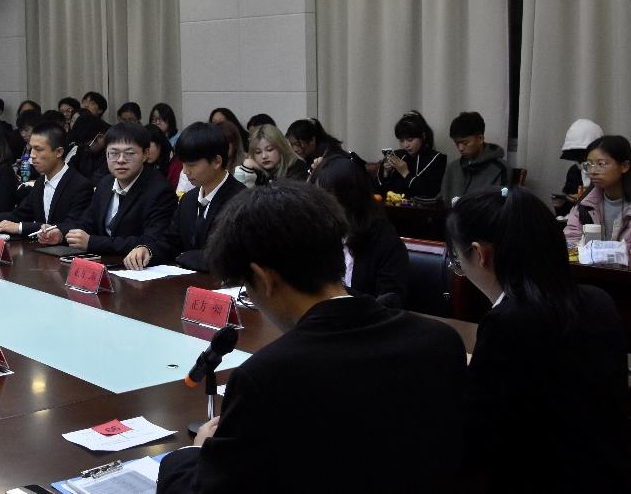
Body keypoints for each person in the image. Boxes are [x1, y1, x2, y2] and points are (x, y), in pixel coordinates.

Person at [157, 181, 466, 492]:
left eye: (247, 287)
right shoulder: (441, 342)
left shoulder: (266, 377)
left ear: (264, 278)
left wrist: (193, 453)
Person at [447, 186, 631, 491]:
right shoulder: (598, 301)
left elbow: (477, 434)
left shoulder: (508, 322)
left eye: (457, 260)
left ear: (480, 253)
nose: (459, 269)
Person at [40, 123, 176, 256]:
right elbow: (87, 223)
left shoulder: (160, 191)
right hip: (103, 262)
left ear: (145, 154)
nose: (121, 160)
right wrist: (61, 234)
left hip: (137, 266)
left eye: (129, 153)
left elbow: (151, 242)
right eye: (114, 153)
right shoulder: (106, 183)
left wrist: (92, 242)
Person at [131, 123, 244, 271]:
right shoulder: (189, 199)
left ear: (217, 161)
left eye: (191, 165)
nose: (185, 171)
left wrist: (184, 256)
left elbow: (228, 256)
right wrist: (148, 250)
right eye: (183, 163)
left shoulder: (241, 201)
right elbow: (172, 242)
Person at [0, 122, 93, 236]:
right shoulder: (41, 182)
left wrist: (20, 227)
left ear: (59, 152)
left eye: (38, 149)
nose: (32, 155)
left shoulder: (80, 185)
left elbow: (71, 226)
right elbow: (18, 215)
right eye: (31, 148)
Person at [312, 155, 408, 308]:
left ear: (349, 197)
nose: (318, 204)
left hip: (365, 320)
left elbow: (390, 303)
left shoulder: (384, 241)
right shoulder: (320, 233)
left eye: (325, 195)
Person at [563, 135, 631, 256]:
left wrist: (598, 255)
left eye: (601, 164)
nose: (593, 171)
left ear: (624, 166)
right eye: (589, 164)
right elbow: (570, 243)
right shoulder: (586, 204)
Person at [439, 111, 508, 206]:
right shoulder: (453, 167)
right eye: (456, 143)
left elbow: (499, 206)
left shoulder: (499, 168)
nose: (460, 148)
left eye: (465, 143)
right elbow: (442, 201)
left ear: (480, 139)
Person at [378, 110, 447, 199]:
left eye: (410, 140)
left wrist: (405, 173)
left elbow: (431, 193)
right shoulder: (397, 155)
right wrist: (386, 174)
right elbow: (378, 193)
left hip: (419, 207)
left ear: (423, 136)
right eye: (401, 141)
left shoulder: (437, 159)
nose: (406, 145)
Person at [554, 118, 604, 216]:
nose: (582, 161)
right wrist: (560, 205)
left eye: (584, 155)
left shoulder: (609, 172)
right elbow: (567, 212)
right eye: (577, 156)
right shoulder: (574, 171)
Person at [234, 124, 307, 186]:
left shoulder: (297, 168)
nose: (264, 156)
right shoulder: (254, 169)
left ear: (281, 148)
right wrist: (246, 170)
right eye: (258, 152)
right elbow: (238, 195)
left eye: (269, 150)